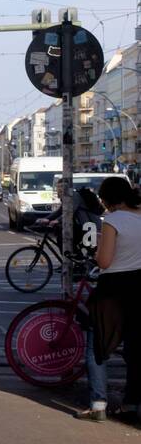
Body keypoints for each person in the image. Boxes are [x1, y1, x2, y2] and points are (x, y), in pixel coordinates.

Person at [81, 177, 141, 420]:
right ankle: (133, 404)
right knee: (136, 349)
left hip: (114, 288)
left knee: (98, 345)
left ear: (106, 200)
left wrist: (98, 252)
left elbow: (104, 261)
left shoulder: (113, 221)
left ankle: (98, 405)